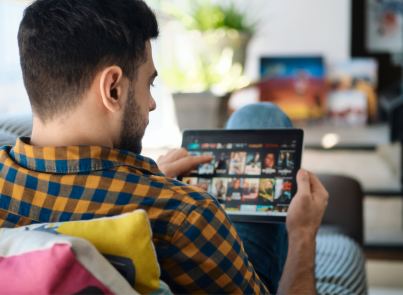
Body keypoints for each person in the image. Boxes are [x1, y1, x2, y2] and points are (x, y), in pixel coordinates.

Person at [0, 1, 329, 294]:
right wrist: (303, 233)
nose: (152, 103)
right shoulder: (185, 214)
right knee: (261, 116)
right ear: (112, 88)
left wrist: (150, 177)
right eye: (149, 83)